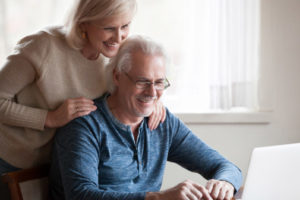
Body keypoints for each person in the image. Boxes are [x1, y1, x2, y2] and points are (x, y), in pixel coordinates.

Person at [0, 0, 165, 198]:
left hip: (57, 165)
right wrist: (49, 118)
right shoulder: (43, 46)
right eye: (109, 28)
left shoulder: (114, 56)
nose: (119, 37)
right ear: (84, 23)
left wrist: (152, 101)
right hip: (10, 161)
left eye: (125, 26)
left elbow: (128, 91)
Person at [49, 35, 243, 200]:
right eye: (142, 82)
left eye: (159, 83)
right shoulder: (84, 126)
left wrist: (225, 182)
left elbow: (225, 166)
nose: (152, 92)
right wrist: (157, 197)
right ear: (117, 77)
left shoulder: (162, 123)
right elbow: (81, 195)